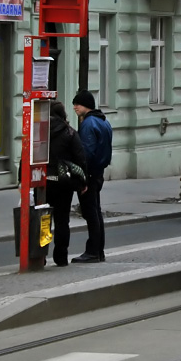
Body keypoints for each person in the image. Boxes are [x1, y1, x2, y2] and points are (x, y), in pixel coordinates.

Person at [72, 90, 112, 263]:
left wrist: (83, 177)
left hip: (89, 174)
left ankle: (93, 251)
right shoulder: (103, 121)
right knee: (96, 211)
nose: (74, 107)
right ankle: (99, 250)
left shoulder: (89, 124)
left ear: (85, 105)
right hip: (99, 172)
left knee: (91, 213)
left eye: (77, 104)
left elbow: (86, 153)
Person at [45, 102, 87, 268]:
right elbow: (80, 158)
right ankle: (61, 257)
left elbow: (27, 153)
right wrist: (83, 182)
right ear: (63, 115)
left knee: (44, 218)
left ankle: (40, 255)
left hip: (44, 180)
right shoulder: (70, 133)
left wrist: (21, 179)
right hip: (63, 182)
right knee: (62, 220)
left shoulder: (40, 132)